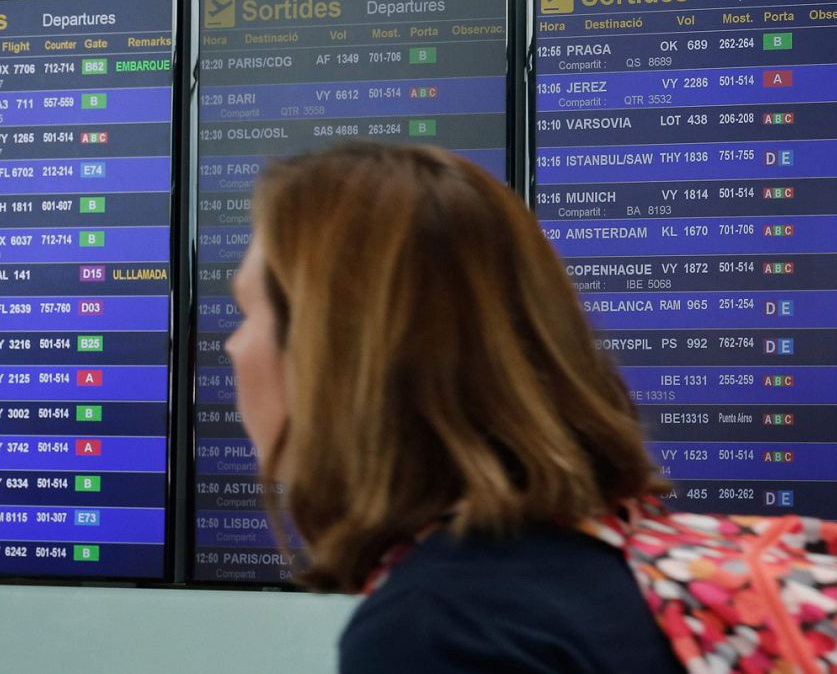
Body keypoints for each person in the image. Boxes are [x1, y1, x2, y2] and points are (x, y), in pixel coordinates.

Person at [226, 141, 686, 673]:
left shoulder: (442, 632)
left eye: (247, 311)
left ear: (334, 354)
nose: (233, 346)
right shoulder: (627, 569)